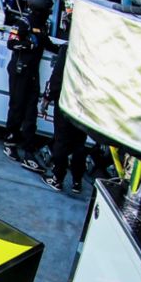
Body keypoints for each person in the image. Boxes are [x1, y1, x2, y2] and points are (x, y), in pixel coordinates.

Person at [4, 0, 56, 173]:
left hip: (33, 74)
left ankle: (28, 150)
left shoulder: (42, 26)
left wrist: (64, 50)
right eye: (48, 10)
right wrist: (28, 45)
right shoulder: (23, 23)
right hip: (20, 71)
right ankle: (10, 142)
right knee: (17, 107)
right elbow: (11, 43)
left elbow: (47, 43)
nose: (50, 13)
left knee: (31, 112)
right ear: (39, 9)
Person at [40, 43, 86, 195]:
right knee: (79, 143)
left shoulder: (69, 48)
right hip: (85, 105)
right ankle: (77, 181)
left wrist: (47, 97)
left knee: (61, 140)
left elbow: (57, 75)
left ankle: (57, 178)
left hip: (67, 101)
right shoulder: (96, 50)